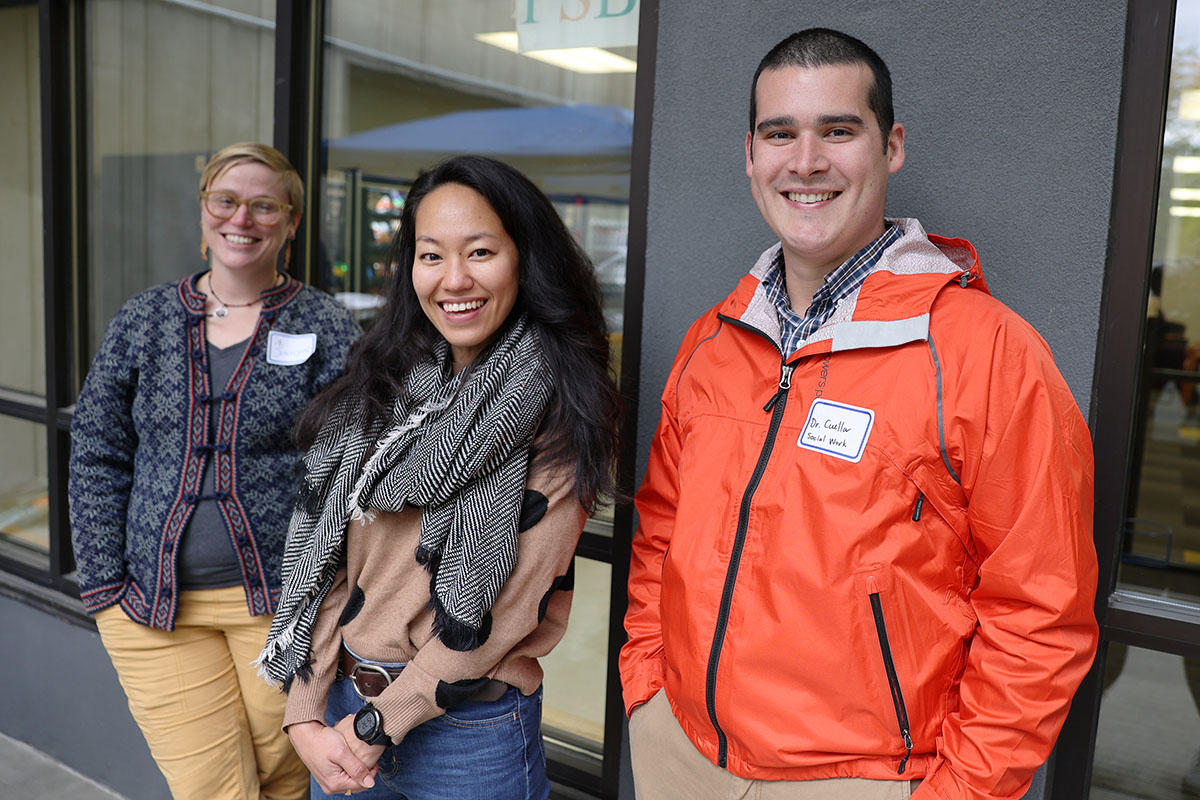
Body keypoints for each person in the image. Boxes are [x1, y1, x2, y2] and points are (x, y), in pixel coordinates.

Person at [619, 28, 1098, 800]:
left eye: (837, 130)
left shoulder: (986, 353)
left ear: (892, 146)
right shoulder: (715, 339)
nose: (806, 162)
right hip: (679, 751)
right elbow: (661, 536)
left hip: (860, 782)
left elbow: (1040, 613)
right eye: (782, 134)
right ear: (751, 154)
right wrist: (647, 686)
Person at [255, 154, 622, 799]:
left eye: (480, 252)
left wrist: (373, 729)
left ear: (523, 258)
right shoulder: (382, 386)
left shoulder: (556, 408)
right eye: (431, 256)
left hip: (466, 734)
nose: (454, 280)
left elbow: (504, 618)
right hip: (342, 707)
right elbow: (332, 565)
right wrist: (305, 714)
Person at [70, 142, 361, 799]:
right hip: (149, 609)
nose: (243, 218)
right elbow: (96, 450)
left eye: (265, 205)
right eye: (226, 201)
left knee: (284, 777)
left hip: (281, 610)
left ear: (290, 222)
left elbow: (350, 462)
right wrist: (104, 589)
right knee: (211, 787)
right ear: (204, 215)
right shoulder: (143, 320)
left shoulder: (327, 325)